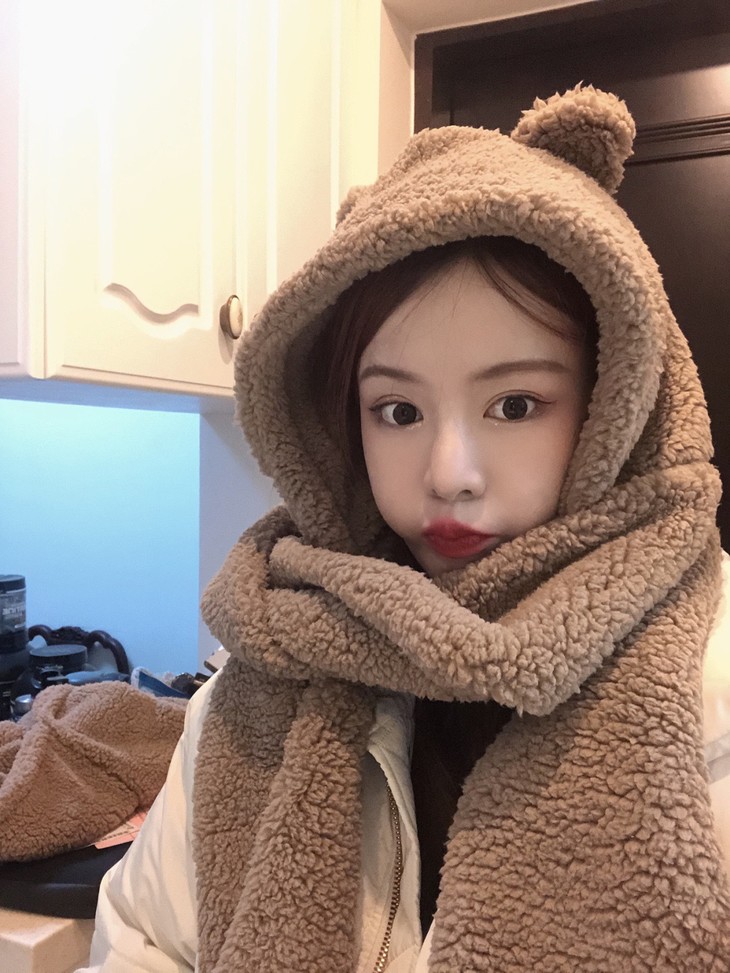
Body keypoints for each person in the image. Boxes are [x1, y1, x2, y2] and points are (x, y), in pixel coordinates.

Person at [79, 85, 730, 972]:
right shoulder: (269, 662)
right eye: (397, 409)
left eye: (515, 403)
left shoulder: (707, 690)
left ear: (615, 405)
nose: (449, 472)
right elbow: (143, 937)